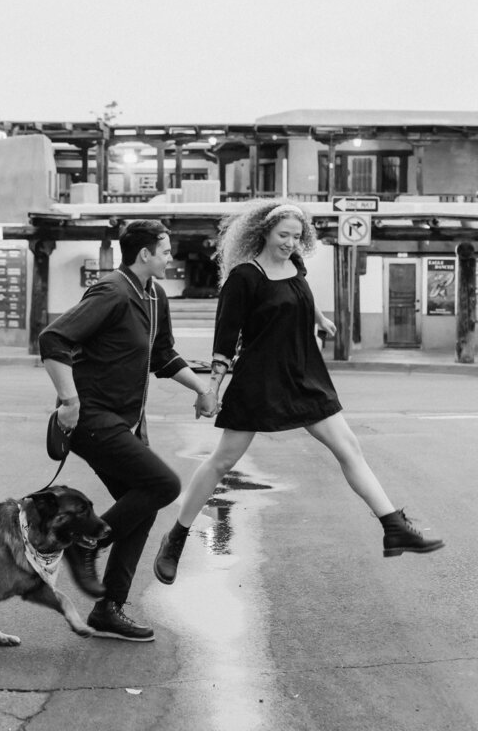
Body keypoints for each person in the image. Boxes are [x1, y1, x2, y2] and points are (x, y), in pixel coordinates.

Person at [153, 201, 443, 585]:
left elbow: (298, 295)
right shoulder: (244, 277)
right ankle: (176, 536)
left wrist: (319, 318)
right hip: (259, 379)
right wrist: (211, 389)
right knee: (222, 462)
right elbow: (224, 341)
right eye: (282, 235)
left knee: (349, 447)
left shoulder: (296, 267)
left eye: (296, 235)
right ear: (263, 234)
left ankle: (393, 526)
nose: (290, 243)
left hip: (304, 374)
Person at [39, 219, 217, 641]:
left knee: (142, 506)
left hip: (127, 423)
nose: (171, 257)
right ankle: (84, 543)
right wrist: (69, 400)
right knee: (164, 484)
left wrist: (203, 389)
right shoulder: (112, 291)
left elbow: (163, 356)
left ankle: (108, 609)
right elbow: (53, 340)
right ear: (145, 254)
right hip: (94, 419)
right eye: (166, 250)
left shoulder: (154, 296)